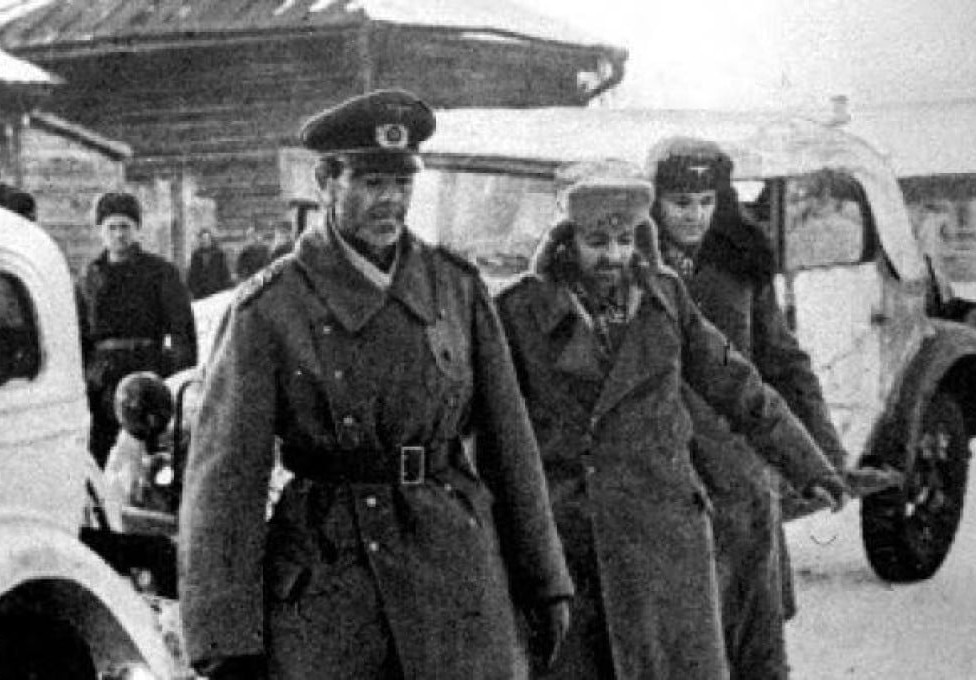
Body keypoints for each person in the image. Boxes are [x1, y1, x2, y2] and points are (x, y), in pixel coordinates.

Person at [178, 89, 573, 680]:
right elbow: (224, 483)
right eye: (369, 183)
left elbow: (510, 446)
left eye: (402, 184)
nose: (390, 201)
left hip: (453, 574)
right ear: (325, 182)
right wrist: (225, 637)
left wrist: (545, 581)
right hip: (332, 581)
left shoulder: (456, 289)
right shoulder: (272, 307)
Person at [495, 161, 849, 679]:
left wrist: (810, 465)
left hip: (665, 536)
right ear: (568, 241)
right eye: (597, 241)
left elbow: (739, 386)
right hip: (572, 538)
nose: (612, 256)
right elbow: (491, 423)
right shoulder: (520, 312)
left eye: (623, 240)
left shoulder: (665, 299)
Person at [646, 136, 850, 678]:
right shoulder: (626, 265)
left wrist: (823, 455)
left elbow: (783, 363)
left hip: (736, 481)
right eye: (680, 203)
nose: (694, 216)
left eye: (706, 202)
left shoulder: (740, 264)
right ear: (654, 201)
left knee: (751, 645)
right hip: (660, 479)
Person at [77, 191, 197, 466]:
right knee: (100, 456)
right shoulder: (89, 276)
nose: (119, 235)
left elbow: (182, 331)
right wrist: (84, 378)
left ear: (138, 230)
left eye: (125, 227)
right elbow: (81, 335)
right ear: (100, 231)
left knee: (150, 459)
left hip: (147, 374)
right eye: (111, 227)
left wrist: (179, 385)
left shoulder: (159, 273)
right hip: (103, 381)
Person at [186, 228, 232, 299]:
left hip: (216, 291)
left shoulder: (218, 254)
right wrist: (194, 289)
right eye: (203, 239)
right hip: (200, 293)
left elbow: (224, 272)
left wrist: (224, 288)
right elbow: (192, 274)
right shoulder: (196, 255)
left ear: (210, 239)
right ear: (200, 240)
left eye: (206, 239)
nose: (205, 241)